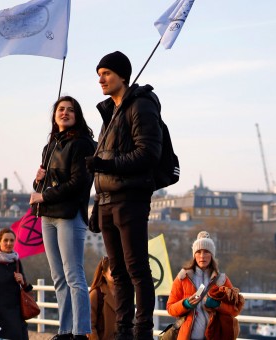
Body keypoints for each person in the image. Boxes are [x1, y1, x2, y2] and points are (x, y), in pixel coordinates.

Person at [86, 51, 163, 340]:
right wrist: (95, 206)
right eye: (99, 75)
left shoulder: (140, 105)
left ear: (122, 76)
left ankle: (141, 331)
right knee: (117, 271)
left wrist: (106, 165)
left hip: (130, 199)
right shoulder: (110, 113)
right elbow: (101, 164)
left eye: (106, 73)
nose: (101, 80)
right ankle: (123, 331)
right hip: (106, 202)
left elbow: (148, 153)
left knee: (136, 269)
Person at [29, 95, 96, 340]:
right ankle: (65, 330)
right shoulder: (50, 146)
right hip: (48, 217)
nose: (64, 113)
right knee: (58, 277)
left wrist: (43, 196)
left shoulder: (84, 144)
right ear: (54, 115)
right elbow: (43, 183)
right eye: (60, 109)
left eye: (70, 110)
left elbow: (80, 183)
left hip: (69, 215)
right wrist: (37, 179)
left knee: (73, 275)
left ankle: (80, 332)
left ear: (77, 116)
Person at [166, 232, 244, 340]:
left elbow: (235, 310)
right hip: (187, 336)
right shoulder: (182, 278)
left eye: (206, 252)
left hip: (214, 336)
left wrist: (217, 305)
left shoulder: (222, 280)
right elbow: (170, 308)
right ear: (194, 255)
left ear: (212, 255)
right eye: (198, 252)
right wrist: (186, 304)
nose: (202, 256)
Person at [0, 228, 33, 340]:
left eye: (11, 240)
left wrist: (23, 281)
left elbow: (27, 289)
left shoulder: (17, 261)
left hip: (17, 316)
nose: (9, 243)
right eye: (5, 240)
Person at [89, 256, 117, 340]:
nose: (117, 272)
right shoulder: (96, 294)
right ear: (104, 274)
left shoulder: (124, 295)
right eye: (112, 269)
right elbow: (90, 326)